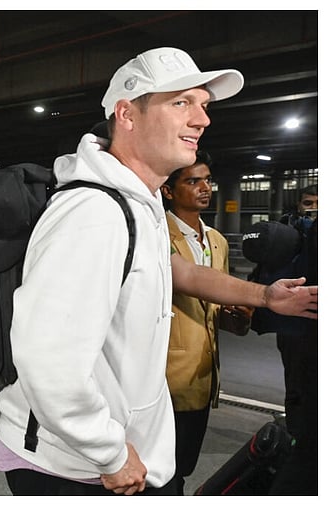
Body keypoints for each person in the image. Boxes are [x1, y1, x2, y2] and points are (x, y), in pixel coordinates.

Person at [0, 47, 317, 496]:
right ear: (126, 114)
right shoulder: (95, 212)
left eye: (203, 105)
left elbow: (175, 270)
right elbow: (48, 358)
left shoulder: (134, 205)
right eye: (182, 102)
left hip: (115, 451)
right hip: (75, 465)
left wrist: (263, 296)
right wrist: (110, 452)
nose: (202, 119)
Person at [160, 150, 251, 495]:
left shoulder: (218, 241)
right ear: (168, 191)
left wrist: (235, 318)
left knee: (183, 467)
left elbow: (214, 308)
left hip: (203, 378)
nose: (204, 187)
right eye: (192, 181)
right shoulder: (157, 234)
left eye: (207, 180)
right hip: (163, 378)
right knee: (158, 472)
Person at [267, 184, 317, 495]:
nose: (313, 209)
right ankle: (296, 433)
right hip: (293, 329)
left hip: (309, 327)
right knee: (296, 386)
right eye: (308, 203)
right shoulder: (288, 232)